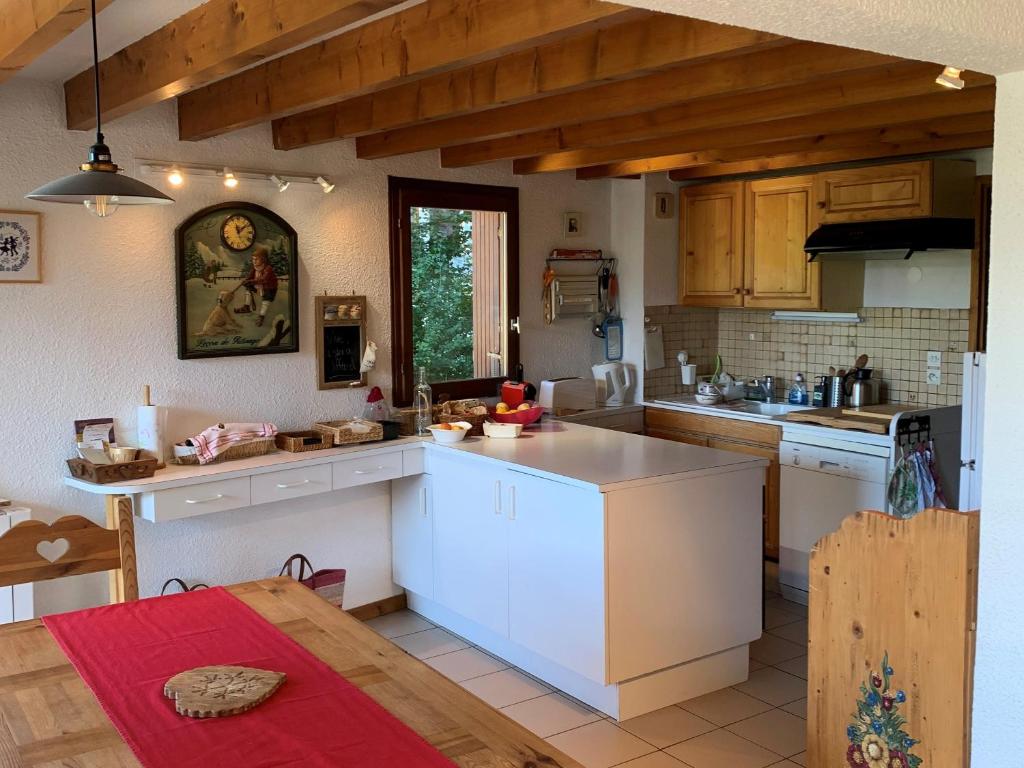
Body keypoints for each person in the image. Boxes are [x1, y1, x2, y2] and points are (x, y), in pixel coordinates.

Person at [237, 246, 278, 327]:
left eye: (256, 259)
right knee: (248, 288)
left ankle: (261, 316)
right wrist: (246, 281)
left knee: (266, 299)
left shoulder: (268, 268)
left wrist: (251, 281)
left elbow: (263, 279)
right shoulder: (255, 268)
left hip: (269, 288)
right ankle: (246, 307)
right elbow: (250, 276)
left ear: (263, 259)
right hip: (259, 285)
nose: (254, 261)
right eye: (253, 259)